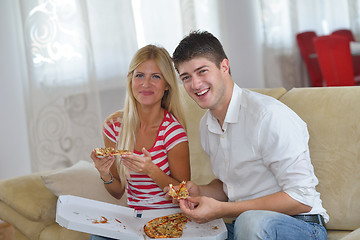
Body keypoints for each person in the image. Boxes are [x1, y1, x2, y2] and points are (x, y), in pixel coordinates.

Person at [167, 30, 329, 240]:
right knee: (183, 231)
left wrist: (223, 210)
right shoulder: (206, 126)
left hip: (301, 225)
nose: (195, 84)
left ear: (224, 67)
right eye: (186, 77)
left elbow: (302, 198)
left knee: (249, 220)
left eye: (202, 71)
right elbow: (230, 186)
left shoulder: (267, 116)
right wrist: (200, 191)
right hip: (245, 228)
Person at [90, 45, 190, 212]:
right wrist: (104, 173)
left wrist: (151, 170)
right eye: (140, 76)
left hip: (169, 219)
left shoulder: (173, 132)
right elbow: (117, 191)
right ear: (130, 80)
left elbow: (184, 194)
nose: (146, 84)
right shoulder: (113, 127)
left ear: (167, 84)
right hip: (135, 219)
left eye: (156, 77)